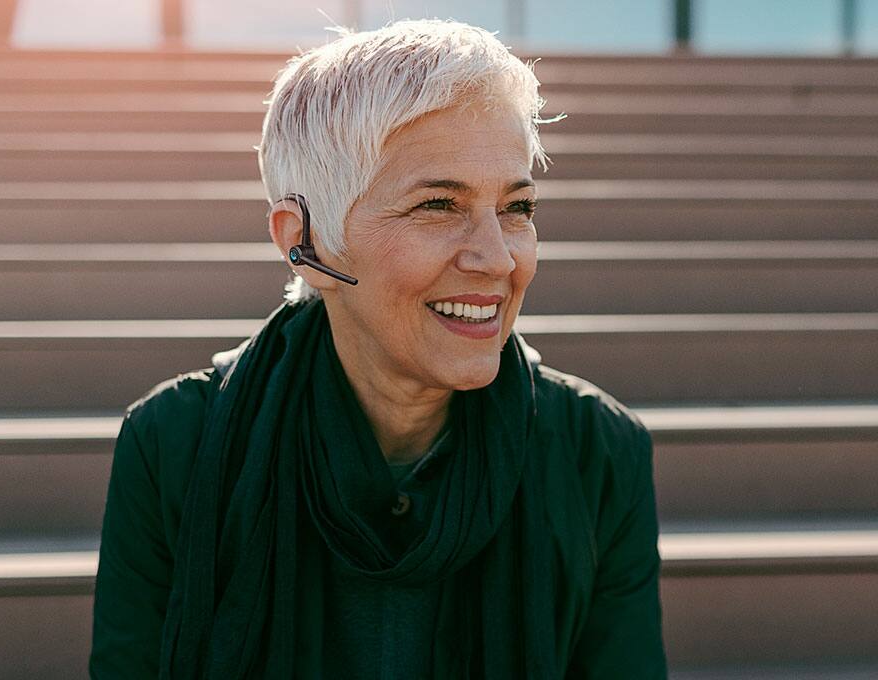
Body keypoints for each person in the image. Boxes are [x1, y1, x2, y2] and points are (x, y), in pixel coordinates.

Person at [89, 17, 667, 680]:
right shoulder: (173, 446)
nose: (498, 257)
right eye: (439, 206)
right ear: (303, 242)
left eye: (518, 208)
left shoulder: (599, 456)